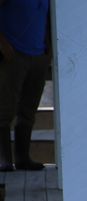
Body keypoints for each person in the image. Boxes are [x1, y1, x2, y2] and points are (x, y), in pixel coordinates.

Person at [0, 0, 50, 172]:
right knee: (5, 108)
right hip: (12, 56)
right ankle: (3, 159)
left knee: (29, 110)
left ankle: (23, 158)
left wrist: (48, 49)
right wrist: (3, 45)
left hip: (39, 55)